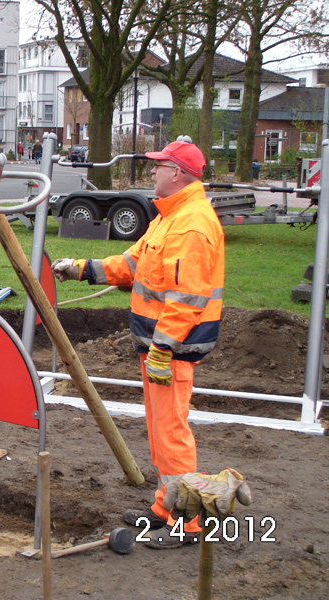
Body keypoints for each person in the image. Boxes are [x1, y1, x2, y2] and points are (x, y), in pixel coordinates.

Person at [51, 140, 224, 549]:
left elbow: (187, 299)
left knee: (171, 435)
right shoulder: (169, 218)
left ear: (177, 173)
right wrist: (82, 269)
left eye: (159, 166)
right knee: (161, 432)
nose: (152, 172)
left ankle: (188, 522)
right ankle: (166, 508)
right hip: (159, 349)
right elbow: (132, 265)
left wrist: (163, 348)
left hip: (171, 352)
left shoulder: (191, 225)